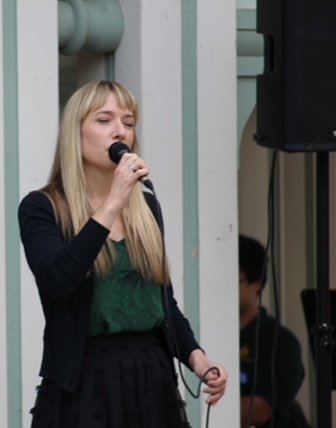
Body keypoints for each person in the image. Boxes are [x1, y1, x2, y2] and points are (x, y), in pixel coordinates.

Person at [18, 80, 227, 428]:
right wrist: (113, 202)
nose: (120, 131)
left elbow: (162, 303)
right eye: (104, 120)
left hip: (151, 379)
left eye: (128, 122)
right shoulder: (43, 207)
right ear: (76, 131)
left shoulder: (144, 206)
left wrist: (199, 360)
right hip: (85, 381)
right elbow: (57, 281)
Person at [239, 234, 306, 428]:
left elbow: (260, 410)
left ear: (257, 284)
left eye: (234, 279)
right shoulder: (206, 335)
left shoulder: (282, 343)